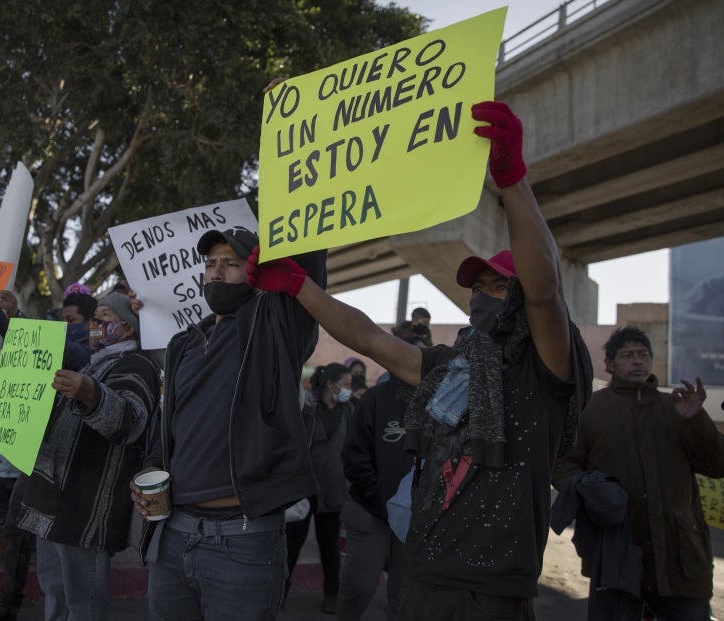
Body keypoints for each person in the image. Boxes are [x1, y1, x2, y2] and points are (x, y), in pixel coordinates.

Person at [247, 100, 593, 620]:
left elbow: (545, 296)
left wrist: (512, 180)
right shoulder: (452, 367)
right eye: (477, 286)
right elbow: (368, 338)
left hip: (493, 585)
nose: (482, 295)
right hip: (423, 570)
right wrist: (300, 286)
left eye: (499, 287)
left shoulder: (546, 368)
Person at [130, 226, 327, 620]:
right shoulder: (182, 344)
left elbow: (309, 264)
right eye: (210, 264)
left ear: (254, 273)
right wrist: (152, 466)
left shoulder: (275, 326)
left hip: (243, 541)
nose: (216, 273)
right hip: (175, 533)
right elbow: (169, 424)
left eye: (231, 264)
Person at [552, 327, 724, 620]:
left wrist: (696, 421)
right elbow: (562, 463)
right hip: (615, 555)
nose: (637, 361)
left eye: (643, 355)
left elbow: (717, 466)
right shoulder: (592, 410)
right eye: (627, 355)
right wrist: (586, 486)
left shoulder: (676, 407)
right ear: (609, 364)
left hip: (680, 556)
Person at [16, 292, 162, 620]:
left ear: (129, 328)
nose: (96, 324)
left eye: (106, 316)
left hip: (84, 512)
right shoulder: (92, 362)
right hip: (53, 503)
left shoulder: (137, 365)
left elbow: (130, 422)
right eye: (95, 316)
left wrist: (93, 395)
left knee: (83, 601)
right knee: (55, 590)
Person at [0, 288, 99, 621]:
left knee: (59, 551)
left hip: (71, 466)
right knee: (16, 526)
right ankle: (7, 604)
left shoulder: (93, 352)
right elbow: (36, 347)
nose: (64, 326)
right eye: (63, 319)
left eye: (71, 320)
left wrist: (18, 320)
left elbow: (56, 348)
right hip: (41, 454)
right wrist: (3, 317)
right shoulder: (67, 339)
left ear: (90, 322)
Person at [337, 336, 426, 621]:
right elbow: (355, 456)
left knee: (406, 595)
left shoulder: (439, 404)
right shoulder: (376, 399)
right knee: (358, 587)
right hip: (371, 513)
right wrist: (380, 501)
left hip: (416, 520)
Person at [285, 363, 355, 614]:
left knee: (330, 548)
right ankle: (281, 591)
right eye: (346, 384)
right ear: (330, 384)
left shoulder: (349, 411)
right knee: (292, 544)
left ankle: (331, 594)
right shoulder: (307, 409)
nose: (349, 389)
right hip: (304, 489)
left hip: (334, 490)